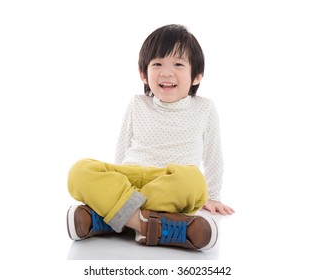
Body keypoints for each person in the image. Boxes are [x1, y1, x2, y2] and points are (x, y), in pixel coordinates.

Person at [66, 24, 234, 251]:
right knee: (80, 170)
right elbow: (122, 147)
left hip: (169, 182)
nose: (166, 72)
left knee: (194, 181)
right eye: (157, 64)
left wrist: (212, 195)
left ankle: (110, 217)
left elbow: (214, 154)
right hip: (130, 177)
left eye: (178, 64)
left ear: (196, 77)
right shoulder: (137, 104)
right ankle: (144, 224)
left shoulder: (205, 108)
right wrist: (116, 179)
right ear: (143, 74)